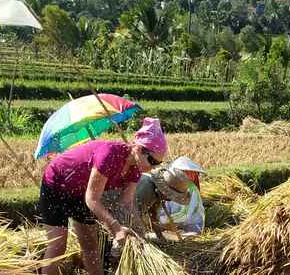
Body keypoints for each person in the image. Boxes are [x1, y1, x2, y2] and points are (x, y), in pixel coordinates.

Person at [38, 117, 168, 275]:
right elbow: (92, 199)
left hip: (80, 192)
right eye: (153, 161)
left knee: (90, 245)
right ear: (139, 149)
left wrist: (138, 233)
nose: (153, 167)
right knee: (58, 246)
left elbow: (126, 204)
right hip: (56, 185)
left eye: (158, 164)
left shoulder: (135, 170)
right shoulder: (110, 155)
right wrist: (115, 227)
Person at [135, 167, 191, 240]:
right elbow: (134, 215)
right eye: (172, 196)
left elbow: (153, 215)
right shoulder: (146, 189)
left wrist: (160, 236)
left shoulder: (158, 193)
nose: (171, 200)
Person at [157, 156, 206, 236]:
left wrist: (165, 221)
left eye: (190, 173)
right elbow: (162, 210)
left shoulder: (192, 190)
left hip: (190, 228)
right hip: (169, 227)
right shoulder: (167, 187)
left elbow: (188, 215)